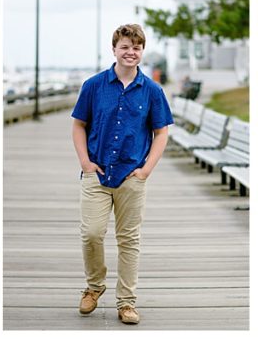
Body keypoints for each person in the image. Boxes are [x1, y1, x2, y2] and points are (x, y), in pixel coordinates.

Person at [71, 23, 172, 325]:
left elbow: (161, 131)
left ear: (142, 52)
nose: (131, 53)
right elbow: (78, 125)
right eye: (125, 47)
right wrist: (86, 163)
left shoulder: (152, 91)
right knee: (91, 233)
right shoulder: (94, 85)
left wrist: (145, 171)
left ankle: (126, 302)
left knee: (129, 240)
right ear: (114, 49)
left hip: (132, 176)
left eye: (136, 48)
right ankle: (94, 286)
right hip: (97, 174)